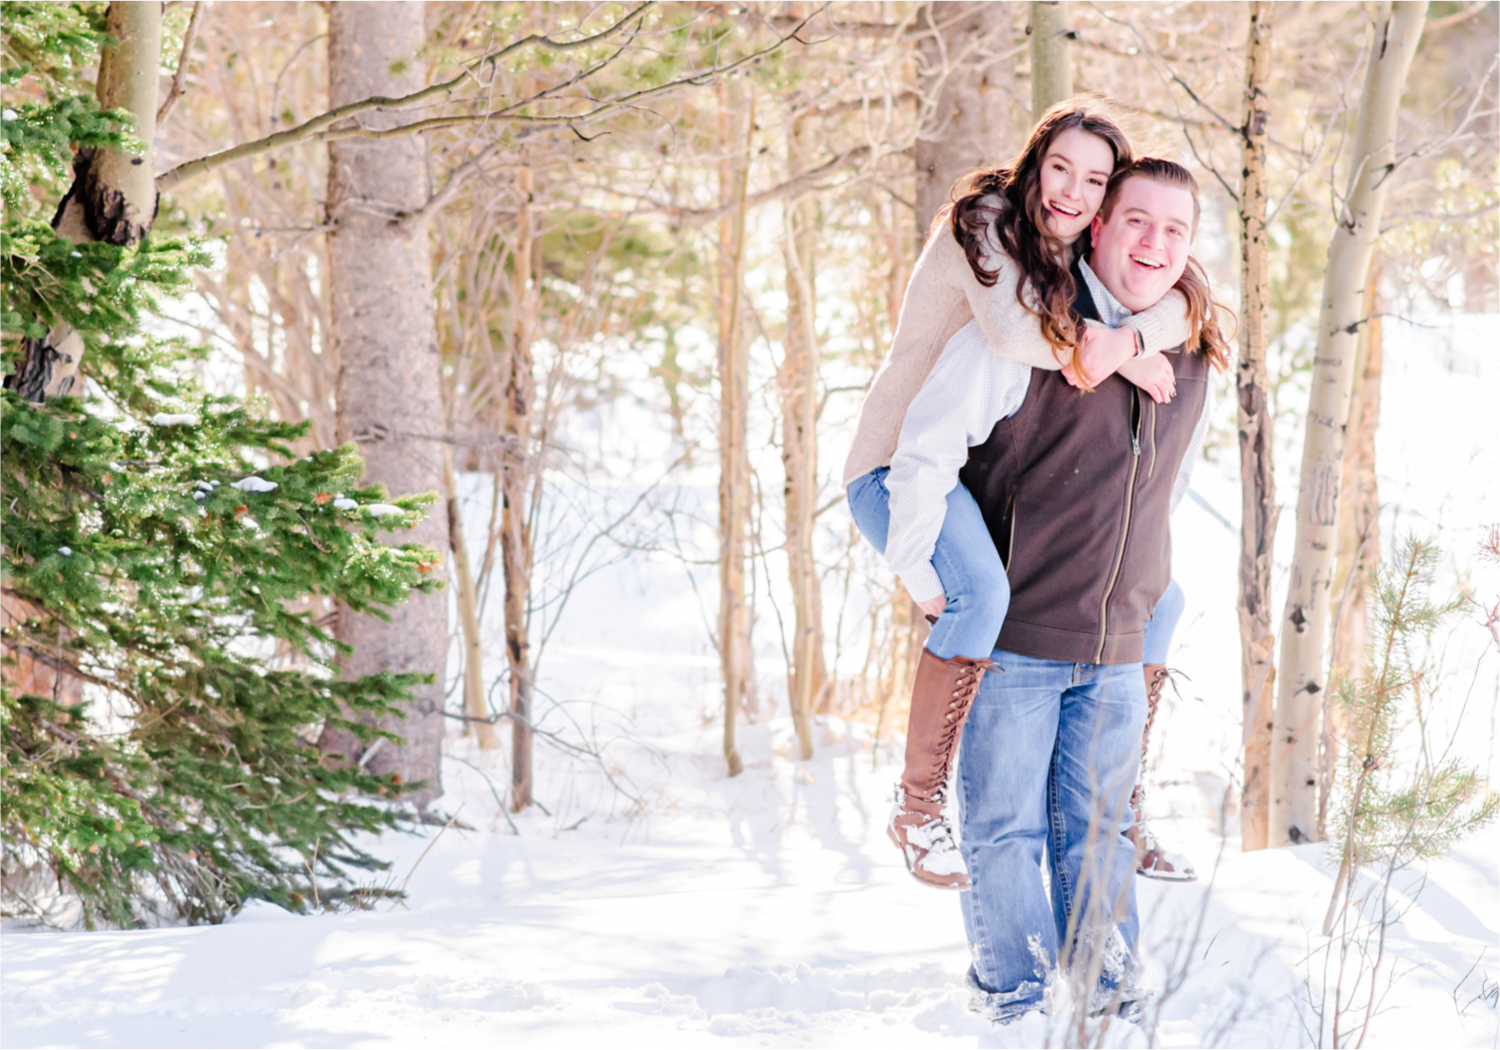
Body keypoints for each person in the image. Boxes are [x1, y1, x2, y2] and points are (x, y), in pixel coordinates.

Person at [842, 100, 1192, 889]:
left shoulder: (1070, 252)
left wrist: (1130, 337)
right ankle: (918, 808)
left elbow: (1188, 295)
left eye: (1095, 180)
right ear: (1034, 161)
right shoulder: (988, 225)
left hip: (961, 478)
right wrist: (1124, 356)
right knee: (979, 598)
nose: (1071, 191)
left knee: (1159, 603)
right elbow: (1008, 336)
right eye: (1059, 168)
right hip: (895, 469)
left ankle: (1126, 806)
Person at [945, 157, 1230, 1022]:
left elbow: (1162, 492)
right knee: (1004, 834)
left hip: (1116, 649)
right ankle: (1014, 1005)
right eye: (1137, 220)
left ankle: (1108, 1004)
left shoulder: (1190, 350)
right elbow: (939, 463)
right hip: (1017, 641)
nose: (1155, 243)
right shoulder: (1031, 329)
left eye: (1176, 229)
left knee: (1101, 837)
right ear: (1098, 223)